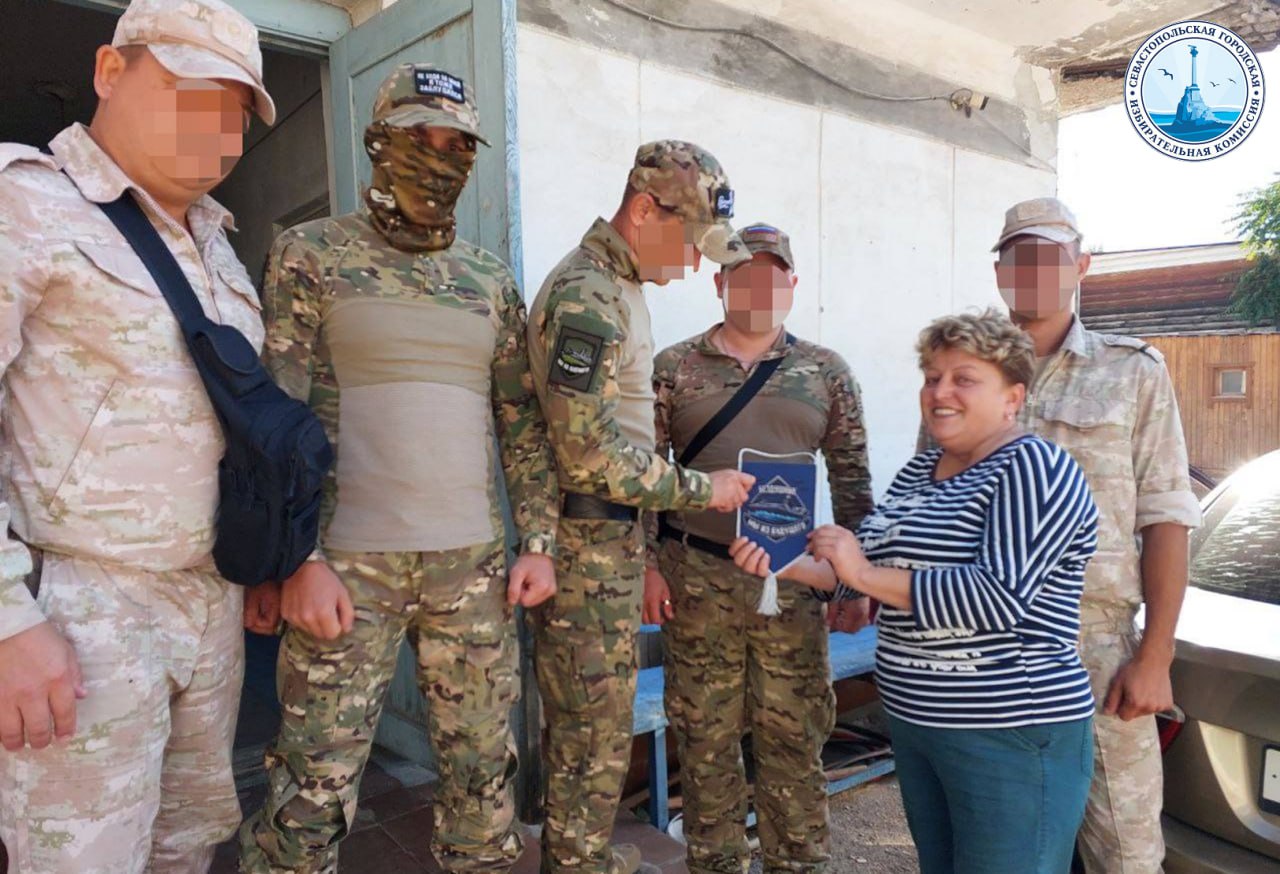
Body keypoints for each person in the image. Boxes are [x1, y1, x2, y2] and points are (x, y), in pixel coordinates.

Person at [238, 65, 559, 873]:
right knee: (310, 793)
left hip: (472, 575)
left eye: (458, 146)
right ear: (379, 141)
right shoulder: (311, 254)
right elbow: (275, 417)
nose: (440, 160)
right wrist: (292, 560)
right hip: (346, 571)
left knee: (484, 787)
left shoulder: (489, 281)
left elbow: (519, 421)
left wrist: (538, 544)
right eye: (421, 140)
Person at [0, 0, 275, 870]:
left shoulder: (218, 243)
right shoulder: (24, 203)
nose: (215, 128)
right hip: (83, 607)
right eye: (190, 92)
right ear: (110, 73)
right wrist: (7, 622)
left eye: (234, 110)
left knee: (186, 846)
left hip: (209, 604)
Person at [735, 309, 1101, 874]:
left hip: (1008, 733)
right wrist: (783, 562)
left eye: (964, 379)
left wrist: (860, 573)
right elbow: (863, 572)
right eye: (932, 378)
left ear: (1012, 397)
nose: (940, 392)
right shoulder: (920, 471)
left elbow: (996, 597)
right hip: (920, 726)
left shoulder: (1033, 467)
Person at [527, 140, 757, 874]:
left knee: (595, 729)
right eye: (690, 242)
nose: (692, 264)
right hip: (587, 546)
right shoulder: (589, 295)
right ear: (644, 210)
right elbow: (587, 453)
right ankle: (577, 861)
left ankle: (583, 854)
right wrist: (702, 490)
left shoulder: (620, 288)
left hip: (610, 545)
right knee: (589, 734)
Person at [643, 222, 873, 874]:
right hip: (695, 579)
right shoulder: (674, 368)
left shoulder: (825, 372)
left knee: (793, 745)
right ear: (720, 283)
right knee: (705, 746)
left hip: (791, 584)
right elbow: (644, 476)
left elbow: (853, 485)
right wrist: (647, 567)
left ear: (792, 284)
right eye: (744, 275)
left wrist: (855, 583)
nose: (759, 288)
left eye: (773, 277)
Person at [987, 198, 1201, 873]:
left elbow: (1166, 516)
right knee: (1006, 849)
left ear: (1080, 266)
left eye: (1049, 257)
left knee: (1125, 854)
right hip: (987, 652)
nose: (1033, 271)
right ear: (999, 271)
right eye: (1020, 258)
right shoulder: (967, 372)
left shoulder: (1133, 371)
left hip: (1097, 653)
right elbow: (935, 507)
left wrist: (1157, 655)